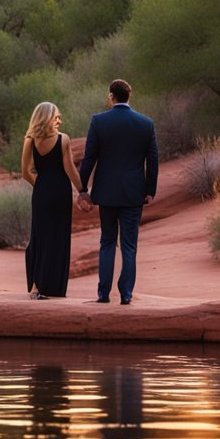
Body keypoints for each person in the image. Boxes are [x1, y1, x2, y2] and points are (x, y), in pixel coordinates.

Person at [77, 79, 158, 305]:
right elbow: (152, 161)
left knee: (107, 241)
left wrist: (82, 189)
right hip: (134, 193)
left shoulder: (99, 121)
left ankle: (103, 294)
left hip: (107, 193)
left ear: (111, 96)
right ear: (128, 97)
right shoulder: (145, 123)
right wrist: (150, 190)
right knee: (130, 245)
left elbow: (89, 158)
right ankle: (126, 295)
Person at [22, 101, 83, 299]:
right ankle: (54, 287)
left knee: (40, 235)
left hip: (41, 192)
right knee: (58, 237)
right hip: (61, 192)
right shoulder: (63, 139)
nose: (59, 121)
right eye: (56, 117)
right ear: (46, 117)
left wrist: (40, 186)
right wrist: (83, 190)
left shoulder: (30, 140)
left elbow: (26, 172)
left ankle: (36, 286)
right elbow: (70, 169)